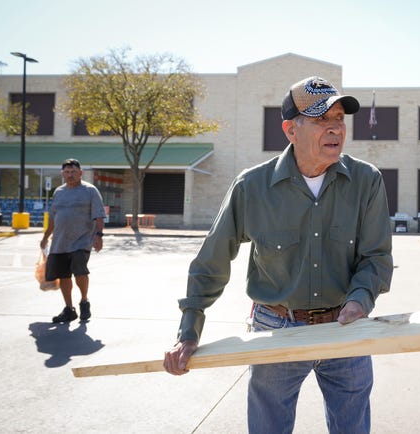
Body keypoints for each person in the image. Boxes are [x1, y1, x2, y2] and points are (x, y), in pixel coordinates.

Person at [164, 76, 393, 433]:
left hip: (346, 328)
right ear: (290, 129)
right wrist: (189, 329)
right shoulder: (251, 187)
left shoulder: (367, 181)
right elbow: (212, 260)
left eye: (339, 119)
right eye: (320, 120)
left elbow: (376, 256)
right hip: (276, 328)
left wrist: (360, 299)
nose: (334, 129)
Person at [40, 158, 106, 324]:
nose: (70, 175)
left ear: (80, 173)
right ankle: (69, 309)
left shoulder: (90, 191)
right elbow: (54, 218)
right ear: (62, 174)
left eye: (73, 172)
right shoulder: (59, 192)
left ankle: (84, 301)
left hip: (82, 240)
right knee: (63, 275)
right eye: (67, 172)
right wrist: (45, 237)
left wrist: (99, 235)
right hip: (60, 242)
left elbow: (99, 215)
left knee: (80, 270)